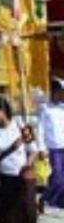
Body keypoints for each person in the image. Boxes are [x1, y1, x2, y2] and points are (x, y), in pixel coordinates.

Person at [37, 77, 64, 210]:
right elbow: (40, 129)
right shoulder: (45, 108)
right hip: (53, 148)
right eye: (59, 91)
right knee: (58, 177)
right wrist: (41, 148)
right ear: (53, 91)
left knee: (58, 179)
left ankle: (57, 201)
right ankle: (45, 198)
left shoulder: (63, 108)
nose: (61, 94)